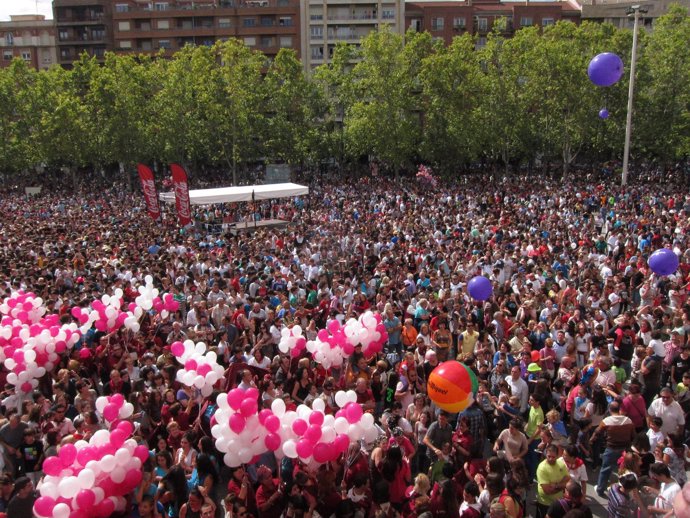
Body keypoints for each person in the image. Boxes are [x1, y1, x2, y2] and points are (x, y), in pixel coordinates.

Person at [592, 401, 635, 497]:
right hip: (624, 449)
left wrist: (591, 439)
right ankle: (622, 490)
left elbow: (597, 432)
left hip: (611, 448)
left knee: (605, 469)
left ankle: (600, 489)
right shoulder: (628, 420)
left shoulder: (606, 421)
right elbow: (633, 435)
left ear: (609, 409)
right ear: (619, 409)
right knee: (623, 469)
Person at [535, 445, 570, 518]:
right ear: (546, 454)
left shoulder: (561, 464)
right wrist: (562, 485)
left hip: (559, 502)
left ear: (557, 456)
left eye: (553, 457)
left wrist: (556, 486)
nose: (550, 459)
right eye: (549, 456)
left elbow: (568, 480)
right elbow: (547, 491)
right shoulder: (542, 468)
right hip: (545, 504)